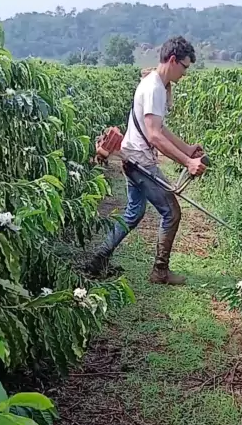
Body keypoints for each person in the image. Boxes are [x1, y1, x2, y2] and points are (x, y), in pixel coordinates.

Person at [88, 36, 206, 285]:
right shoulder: (154, 89)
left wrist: (186, 149)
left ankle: (99, 259)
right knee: (171, 212)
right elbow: (154, 136)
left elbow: (159, 128)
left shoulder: (155, 84)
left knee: (134, 212)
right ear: (172, 60)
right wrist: (187, 162)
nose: (185, 73)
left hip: (132, 158)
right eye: (184, 67)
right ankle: (160, 271)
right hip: (140, 162)